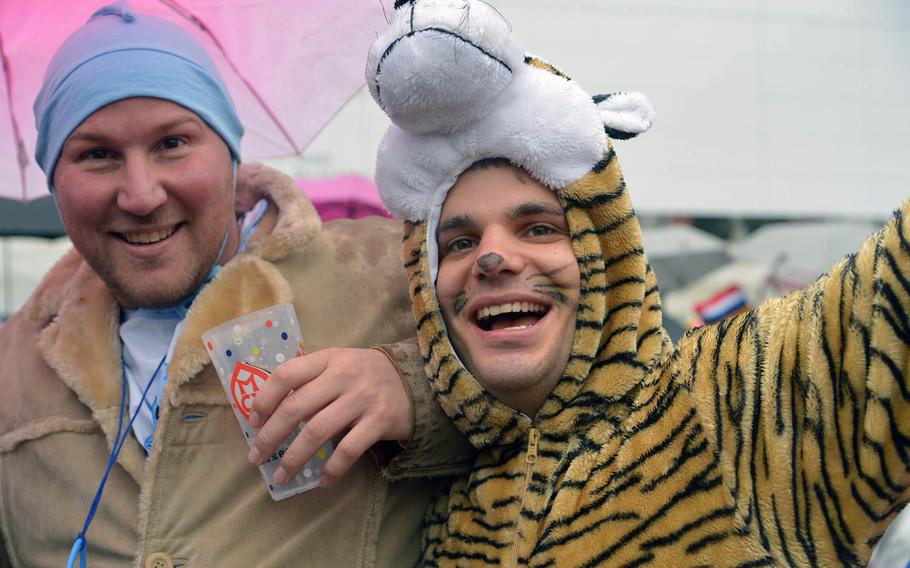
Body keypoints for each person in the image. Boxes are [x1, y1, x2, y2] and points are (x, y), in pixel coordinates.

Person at [363, 1, 910, 565]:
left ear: (606, 251)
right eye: (459, 241)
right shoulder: (442, 511)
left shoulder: (729, 403)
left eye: (540, 227)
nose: (494, 255)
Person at [0, 3, 471, 567]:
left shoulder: (390, 275)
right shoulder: (14, 363)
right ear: (54, 179)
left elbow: (562, 402)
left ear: (230, 151)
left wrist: (420, 390)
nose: (142, 195)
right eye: (96, 155)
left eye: (172, 143)